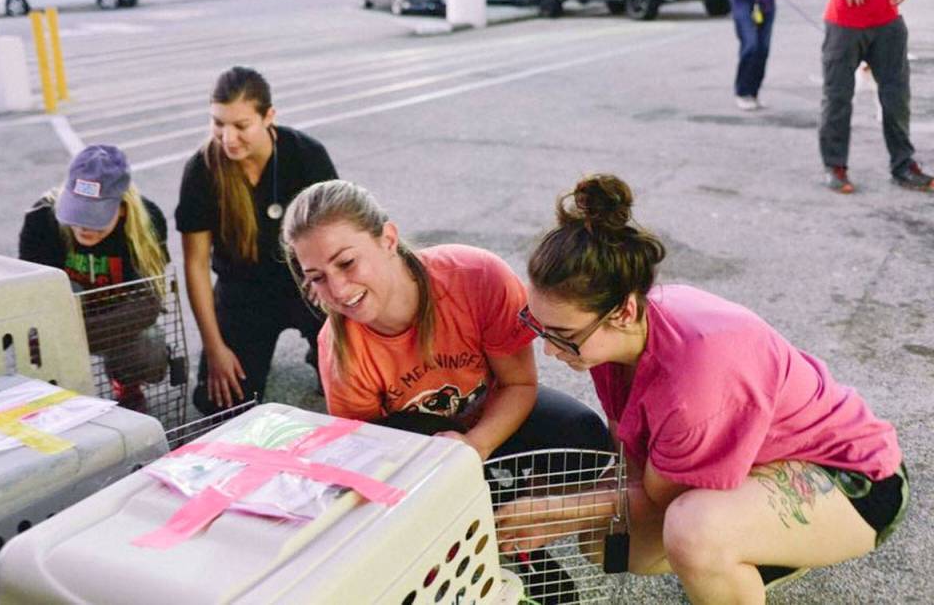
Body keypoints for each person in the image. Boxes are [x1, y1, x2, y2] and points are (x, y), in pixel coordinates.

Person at [494, 174, 908, 602]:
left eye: (560, 334)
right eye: (539, 326)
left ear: (623, 311)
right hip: (764, 460)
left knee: (693, 531)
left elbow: (662, 499)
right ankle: (761, 550)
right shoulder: (613, 340)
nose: (547, 349)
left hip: (854, 479)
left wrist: (558, 510)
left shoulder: (695, 380)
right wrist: (559, 505)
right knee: (610, 547)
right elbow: (629, 452)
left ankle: (753, 548)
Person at [282, 179, 614, 602]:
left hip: (490, 411)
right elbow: (370, 454)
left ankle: (515, 527)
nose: (339, 290)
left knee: (585, 435)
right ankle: (473, 537)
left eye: (347, 263)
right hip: (419, 444)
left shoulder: (476, 276)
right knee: (405, 443)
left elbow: (518, 383)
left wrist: (473, 448)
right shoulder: (338, 347)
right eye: (318, 278)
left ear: (387, 238)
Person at [176, 66, 337, 415]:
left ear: (269, 117)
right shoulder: (201, 171)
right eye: (218, 123)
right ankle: (252, 352)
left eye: (241, 125)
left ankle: (322, 348)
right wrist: (215, 347)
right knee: (220, 404)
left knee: (354, 386)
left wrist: (323, 276)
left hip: (304, 283)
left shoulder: (306, 155)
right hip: (243, 292)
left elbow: (336, 230)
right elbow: (195, 264)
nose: (228, 137)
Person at [19, 145, 170, 411]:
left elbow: (148, 305)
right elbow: (33, 296)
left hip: (120, 321)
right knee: (59, 299)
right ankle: (61, 392)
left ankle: (127, 382)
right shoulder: (41, 218)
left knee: (149, 350)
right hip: (65, 311)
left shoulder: (148, 221)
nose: (84, 227)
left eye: (95, 217)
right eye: (77, 212)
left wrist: (74, 333)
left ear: (122, 209)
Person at [799, 0, 932, 193]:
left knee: (896, 98)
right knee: (838, 97)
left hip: (889, 22)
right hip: (846, 22)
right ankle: (835, 167)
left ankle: (903, 166)